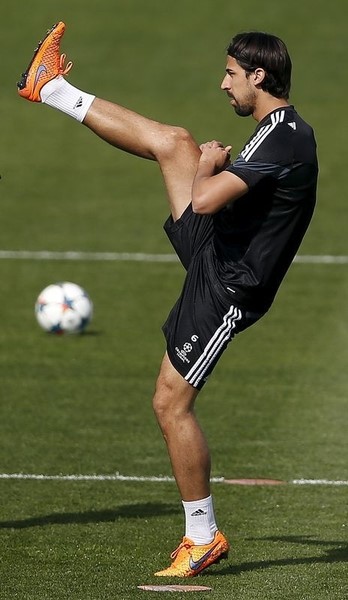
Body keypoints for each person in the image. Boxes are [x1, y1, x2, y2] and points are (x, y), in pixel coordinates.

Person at [17, 22, 318, 577]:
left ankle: (202, 537)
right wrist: (208, 162)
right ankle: (51, 87)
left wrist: (208, 167)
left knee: (169, 403)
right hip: (218, 251)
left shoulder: (284, 137)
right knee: (174, 141)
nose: (223, 84)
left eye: (231, 74)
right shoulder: (275, 126)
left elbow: (203, 200)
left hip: (227, 286)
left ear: (259, 75)